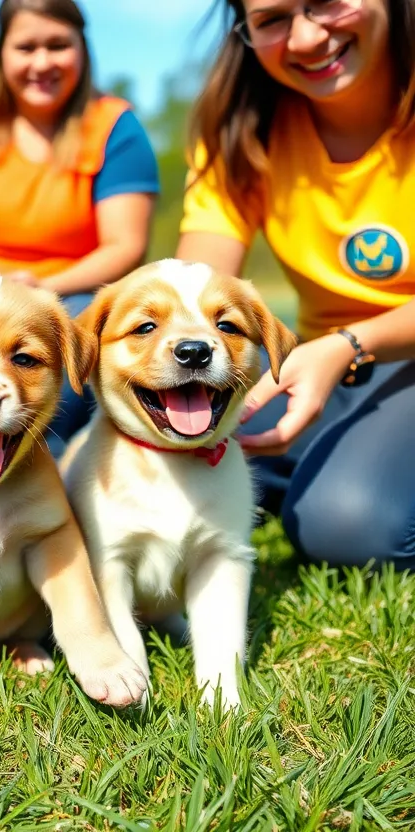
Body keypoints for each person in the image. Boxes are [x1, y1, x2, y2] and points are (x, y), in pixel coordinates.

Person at [177, 0, 415, 567]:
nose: (306, 38)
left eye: (325, 2)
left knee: (345, 526)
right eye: (273, 19)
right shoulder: (242, 131)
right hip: (322, 364)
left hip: (376, 356)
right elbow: (197, 288)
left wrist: (349, 344)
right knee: (175, 434)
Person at [0, 0, 159, 453]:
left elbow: (125, 245)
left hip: (71, 293)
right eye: (26, 47)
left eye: (58, 45)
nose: (42, 62)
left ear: (81, 48)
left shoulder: (115, 128)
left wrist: (40, 289)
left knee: (66, 362)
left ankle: (51, 464)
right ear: (1, 53)